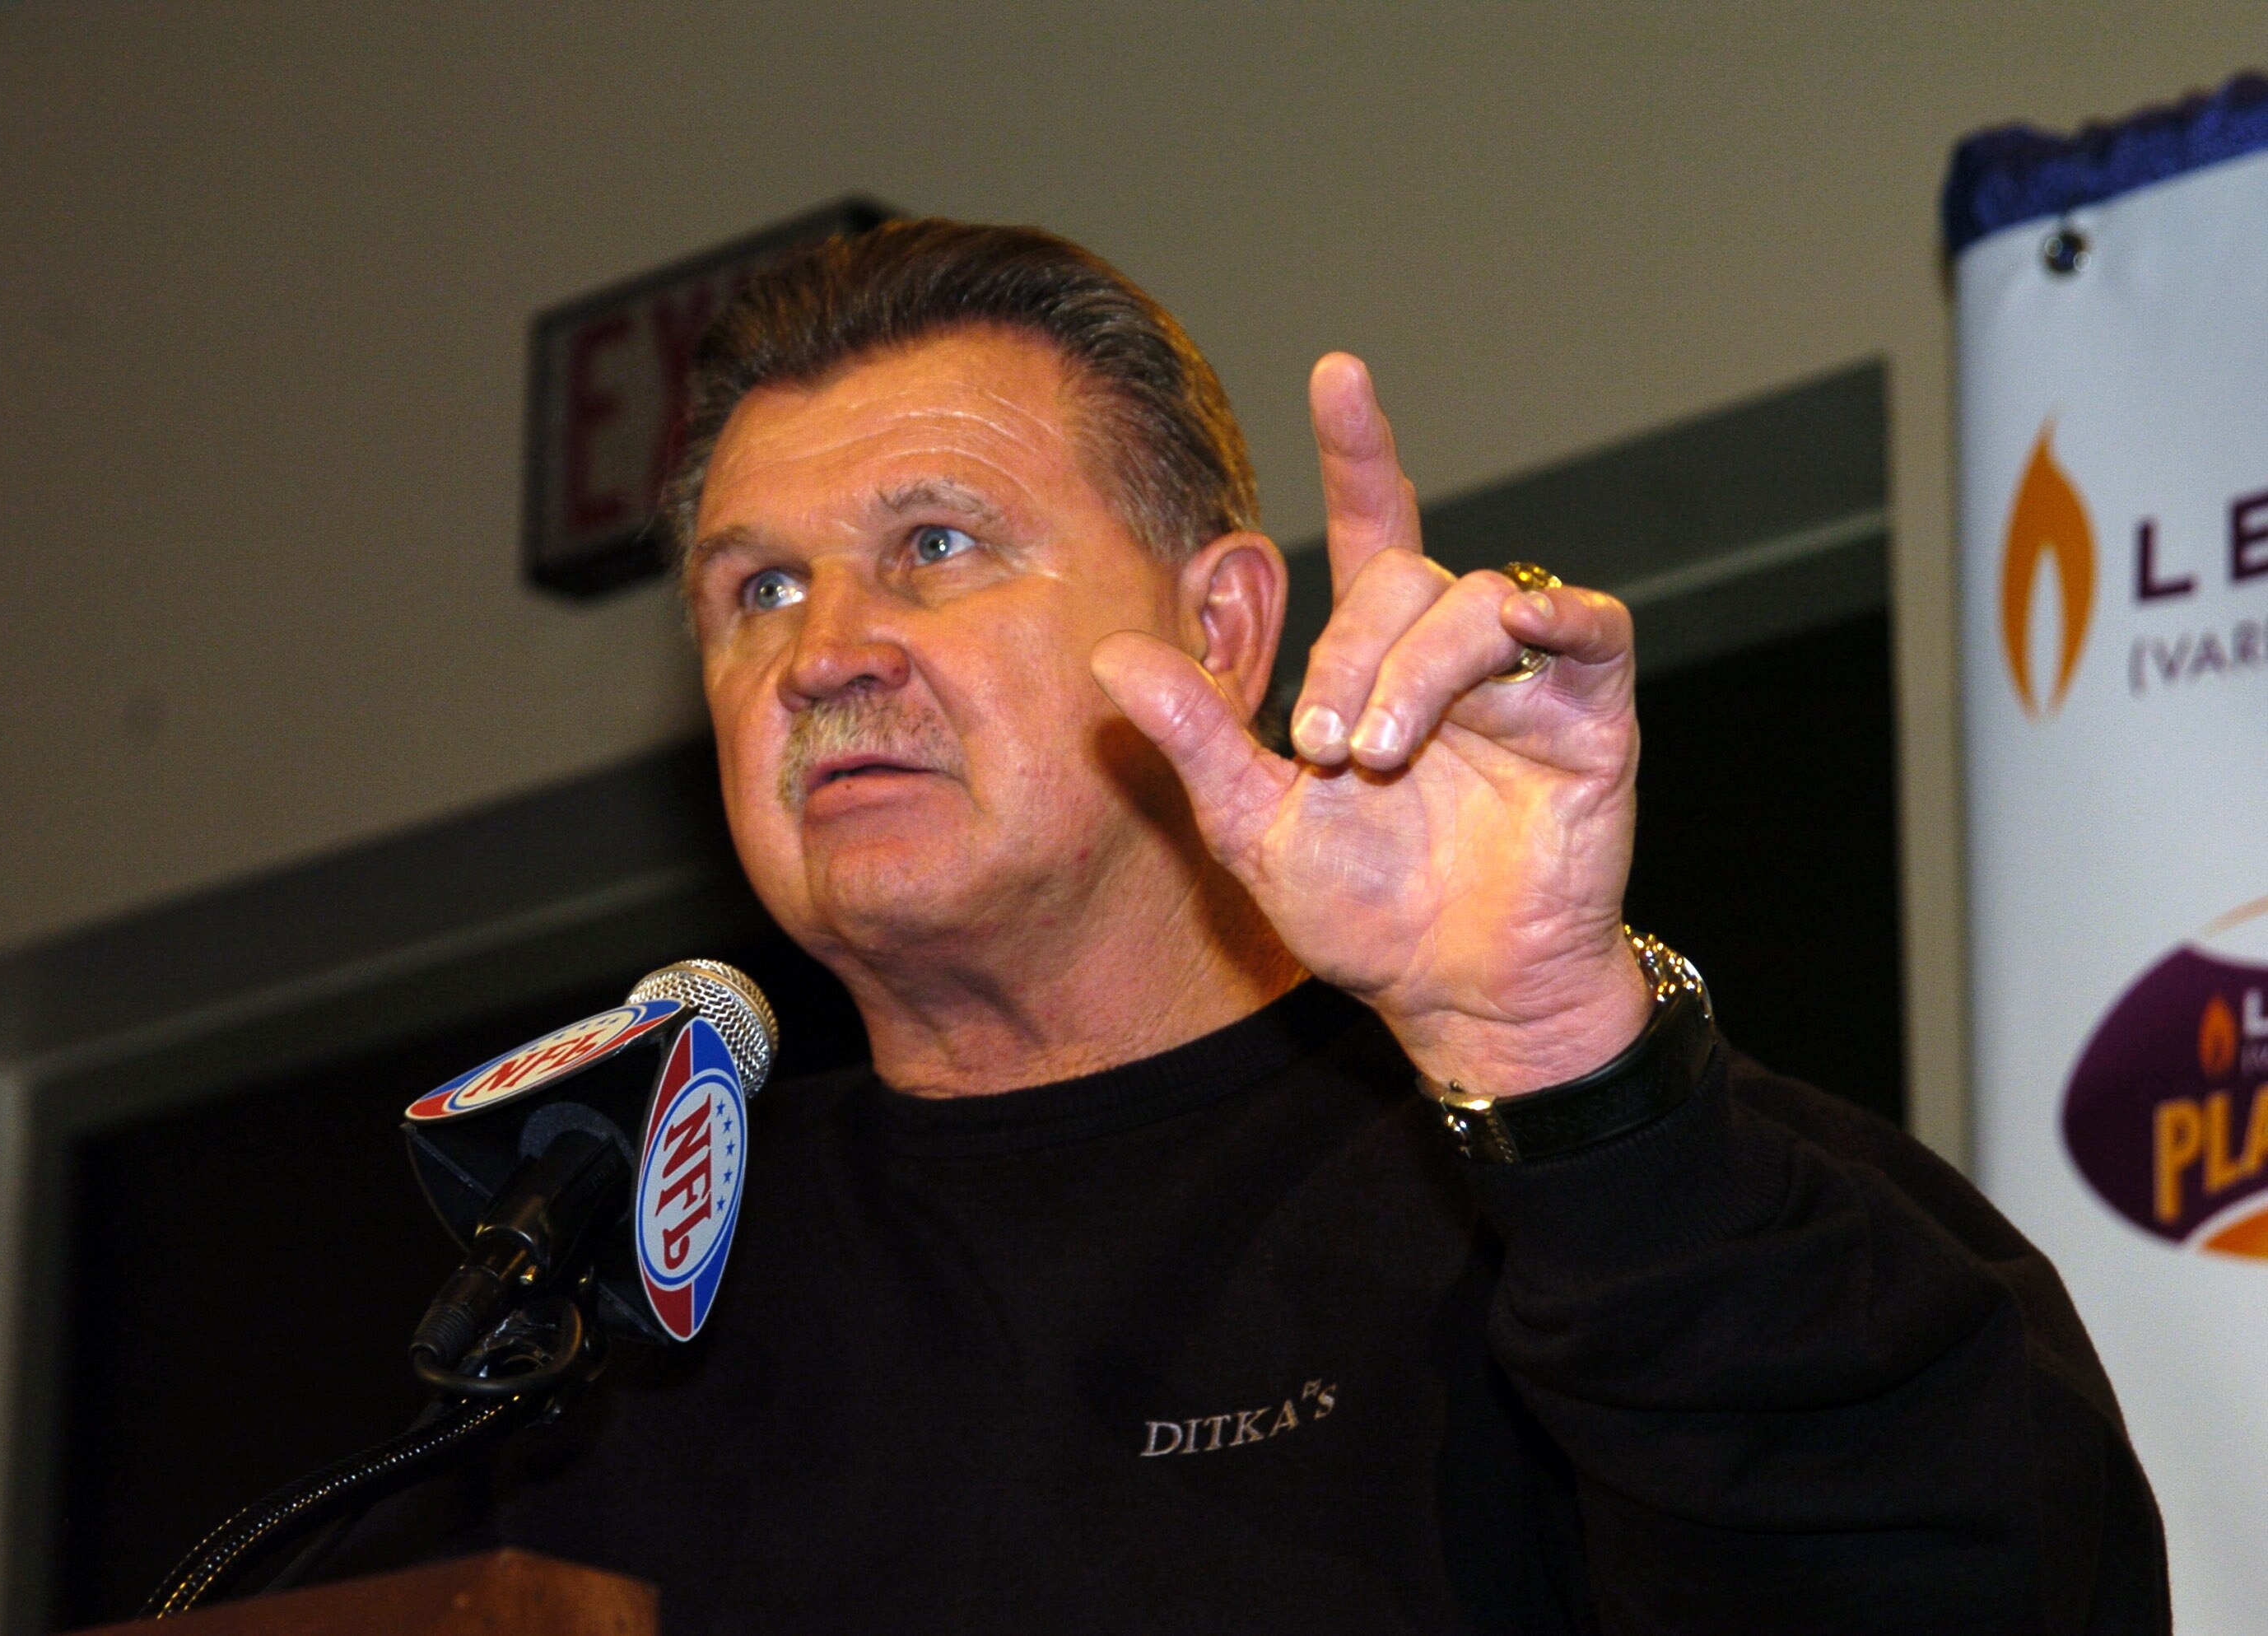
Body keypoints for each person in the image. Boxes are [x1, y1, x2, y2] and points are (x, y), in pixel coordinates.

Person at [328, 220, 2167, 1632]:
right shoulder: (611, 1299)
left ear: (1221, 626)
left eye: (940, 546)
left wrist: (1558, 1064)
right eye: (759, 588)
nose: (826, 654)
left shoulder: (1580, 1186)